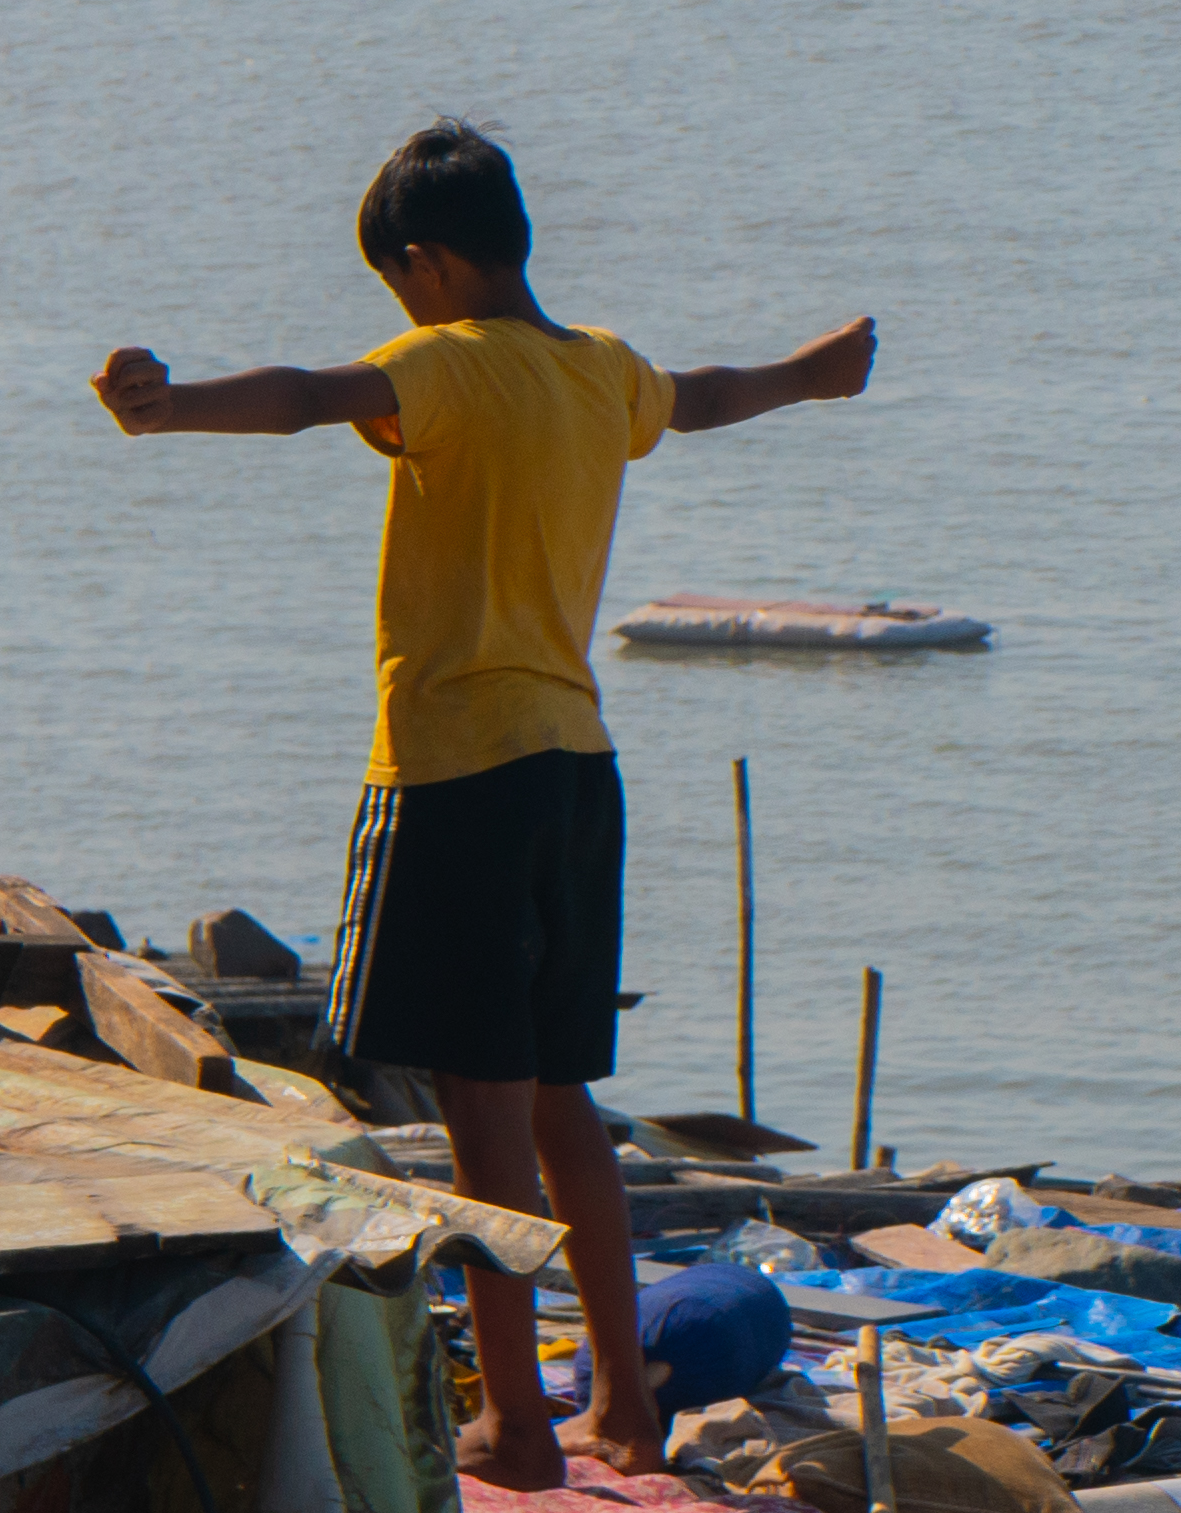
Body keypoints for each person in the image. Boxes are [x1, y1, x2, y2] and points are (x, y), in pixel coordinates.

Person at [90, 119, 876, 1489]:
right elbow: (706, 393)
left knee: (481, 1114)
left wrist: (171, 405)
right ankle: (623, 1406)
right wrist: (815, 377)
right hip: (579, 768)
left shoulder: (442, 366)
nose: (394, 315)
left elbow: (301, 396)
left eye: (396, 283)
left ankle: (518, 1420)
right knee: (562, 1095)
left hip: (457, 765)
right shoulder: (601, 373)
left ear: (434, 264)